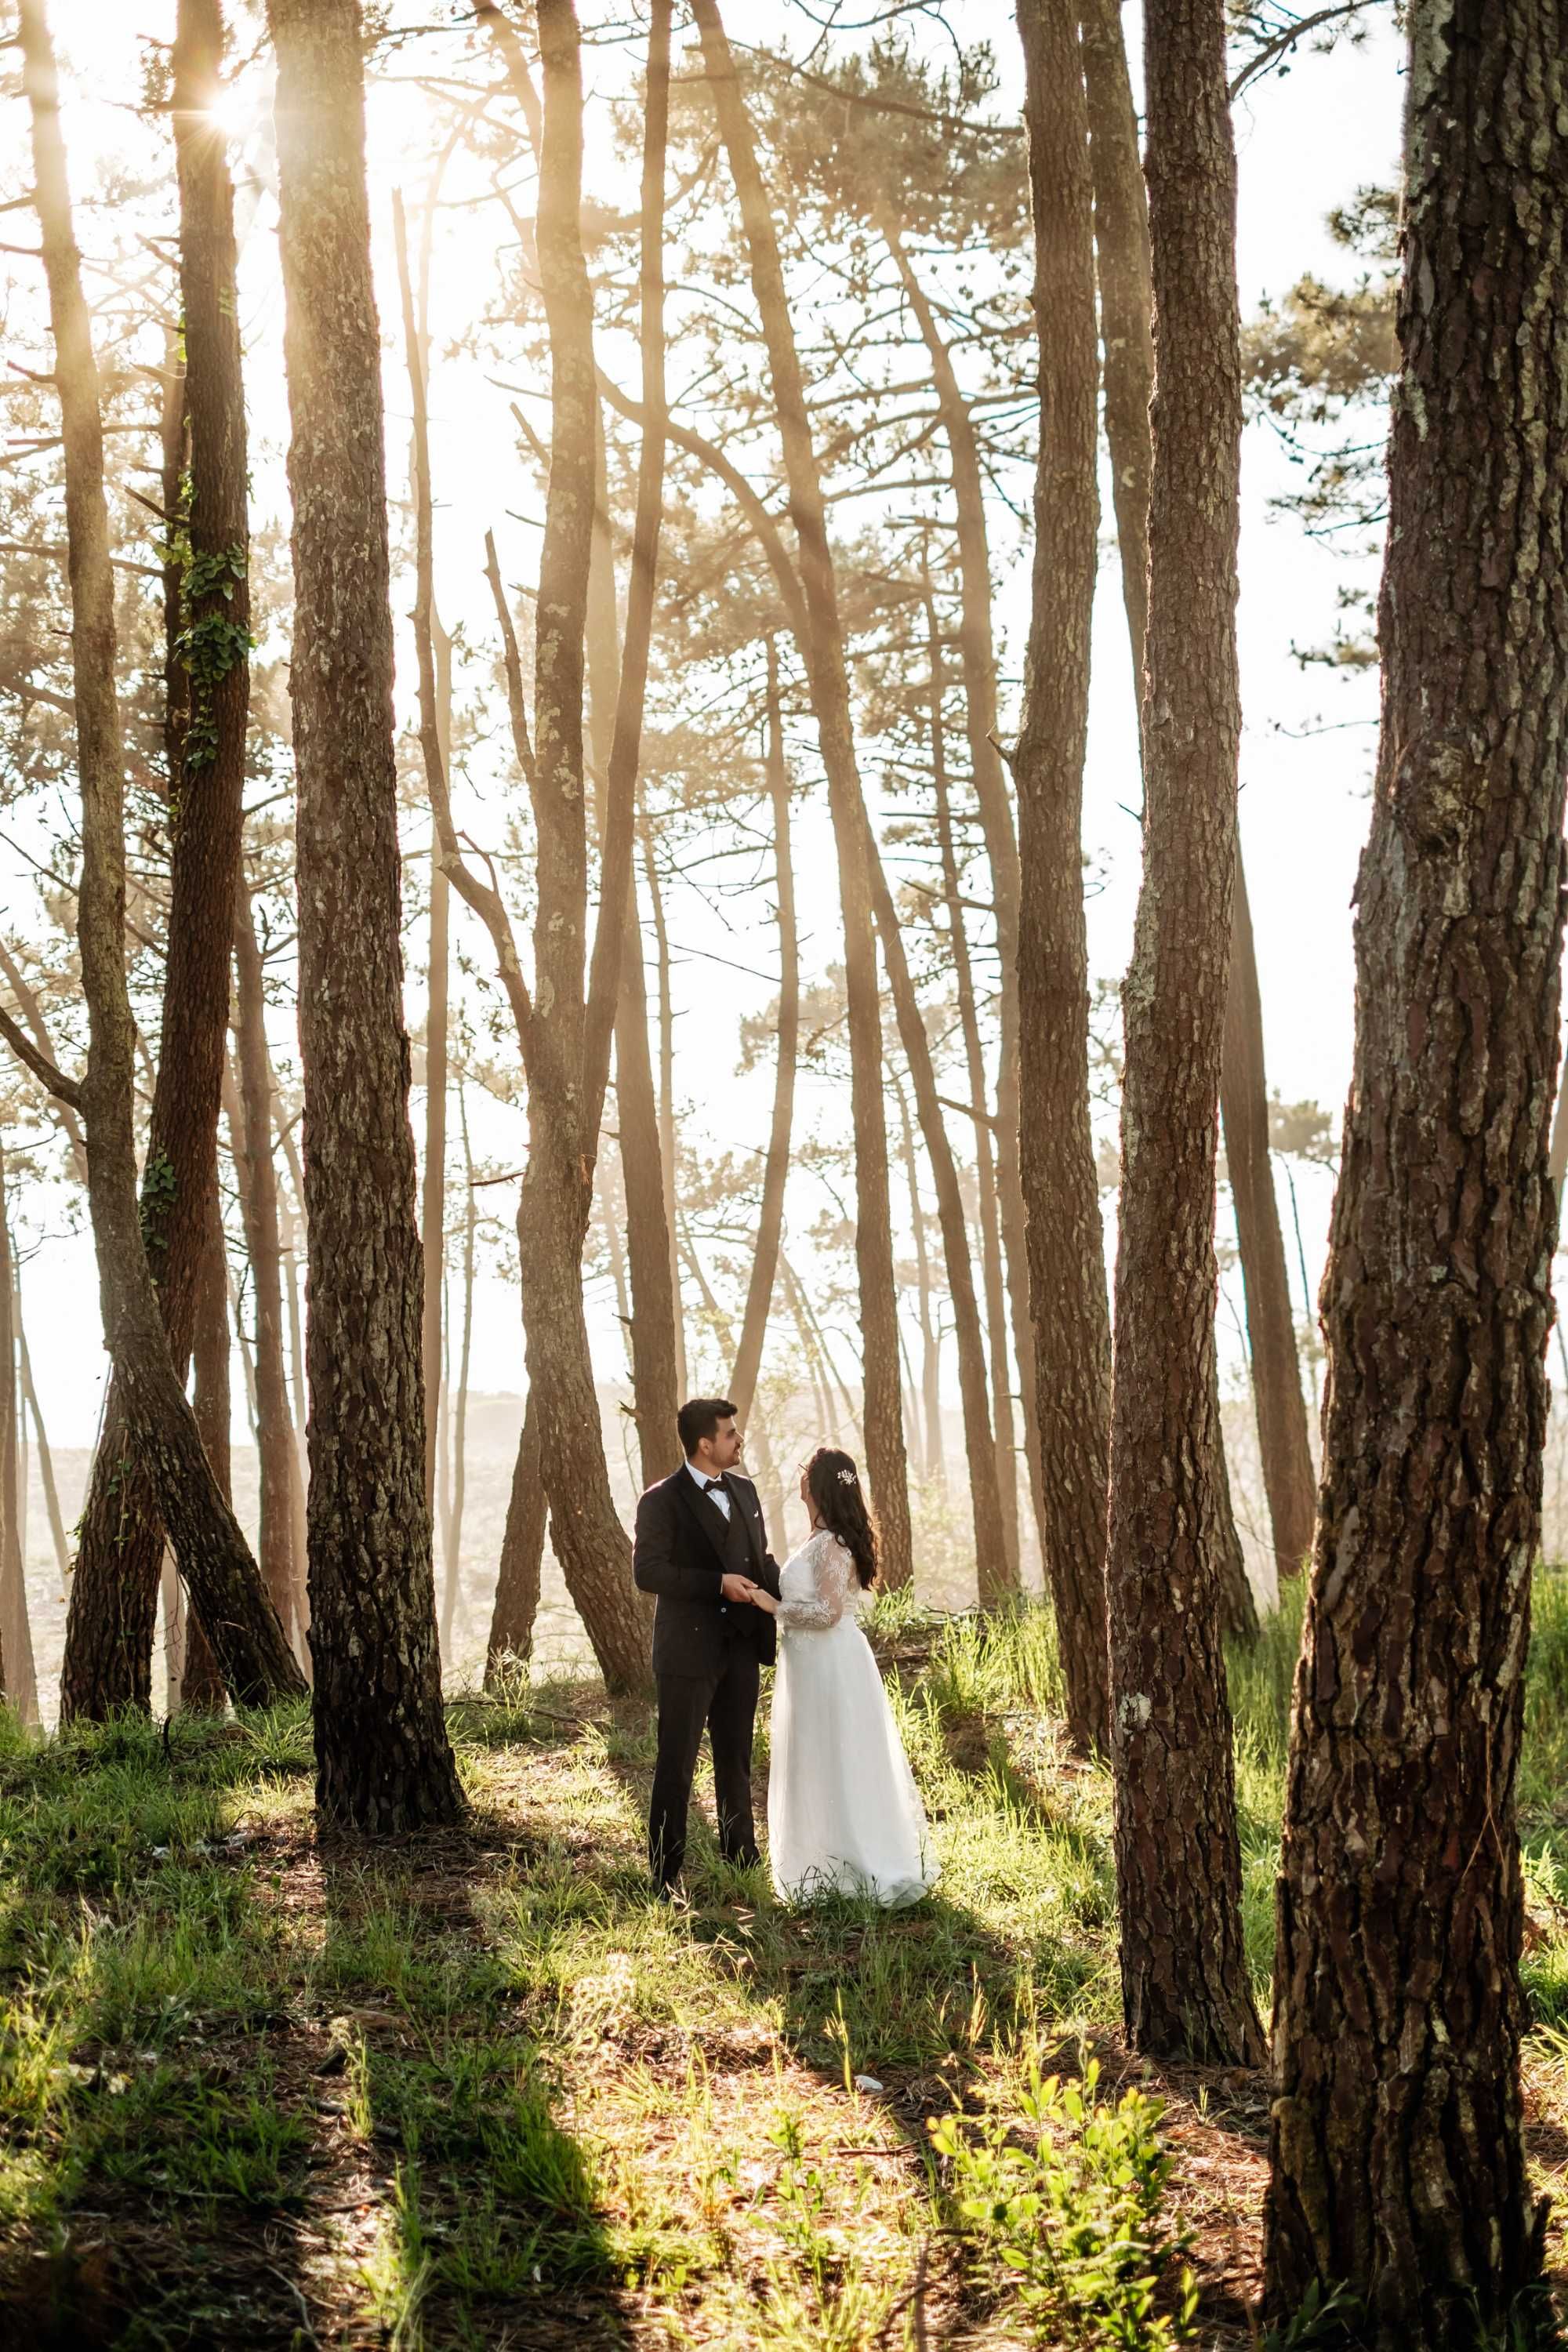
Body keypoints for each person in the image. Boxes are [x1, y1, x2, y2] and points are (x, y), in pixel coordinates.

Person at [747, 1445, 935, 1907]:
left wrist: (774, 1608)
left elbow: (829, 1612)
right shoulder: (823, 1540)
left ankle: (852, 1862)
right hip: (813, 1664)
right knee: (818, 1753)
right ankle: (821, 1858)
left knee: (835, 1753)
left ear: (816, 1486)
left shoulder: (832, 1545)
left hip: (829, 1663)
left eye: (805, 1472)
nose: (799, 1479)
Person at [632, 1396, 781, 1894]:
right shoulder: (660, 1500)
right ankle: (664, 1876)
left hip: (740, 1648)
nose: (738, 1440)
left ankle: (741, 1863)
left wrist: (800, 1595)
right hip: (686, 1654)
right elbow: (648, 1572)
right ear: (704, 1444)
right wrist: (717, 1583)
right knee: (676, 1763)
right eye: (730, 1433)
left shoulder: (745, 1489)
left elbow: (759, 1559)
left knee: (736, 1757)